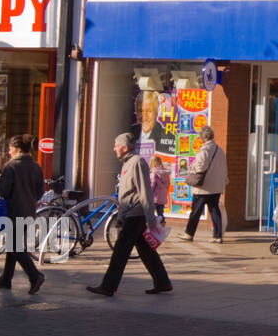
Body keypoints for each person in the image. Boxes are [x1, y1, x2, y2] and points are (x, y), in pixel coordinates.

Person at [88, 133, 172, 297]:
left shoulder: (137, 163)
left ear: (125, 147)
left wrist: (151, 218)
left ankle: (108, 286)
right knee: (145, 249)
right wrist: (120, 216)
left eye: (116, 145)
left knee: (120, 251)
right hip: (130, 213)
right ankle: (163, 282)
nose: (114, 148)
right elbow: (125, 194)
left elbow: (145, 191)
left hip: (136, 214)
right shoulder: (127, 163)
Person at [0, 135, 45, 294]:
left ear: (17, 149)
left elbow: (4, 190)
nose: (9, 151)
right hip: (28, 211)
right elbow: (40, 193)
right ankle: (6, 278)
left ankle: (35, 275)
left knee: (14, 246)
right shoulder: (36, 166)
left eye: (10, 148)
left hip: (12, 211)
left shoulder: (11, 166)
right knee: (14, 244)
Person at [182, 125, 227, 244]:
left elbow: (200, 166)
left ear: (203, 137)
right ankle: (218, 236)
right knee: (214, 210)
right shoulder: (219, 150)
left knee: (195, 211)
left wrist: (192, 168)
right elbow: (224, 169)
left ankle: (189, 233)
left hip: (203, 187)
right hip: (216, 187)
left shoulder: (205, 150)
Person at [149, 155, 170, 224]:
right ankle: (162, 223)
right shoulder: (165, 172)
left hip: (154, 197)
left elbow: (152, 183)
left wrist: (148, 192)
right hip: (162, 197)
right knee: (160, 212)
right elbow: (168, 184)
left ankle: (153, 226)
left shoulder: (154, 172)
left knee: (150, 213)